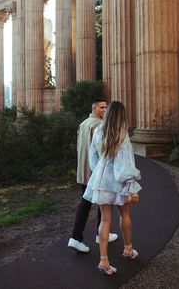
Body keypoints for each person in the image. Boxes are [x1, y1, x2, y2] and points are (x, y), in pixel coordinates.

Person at [83, 101, 142, 275]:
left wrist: (98, 173)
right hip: (119, 182)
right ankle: (128, 250)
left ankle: (103, 261)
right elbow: (125, 163)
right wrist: (132, 187)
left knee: (105, 220)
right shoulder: (122, 134)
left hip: (101, 180)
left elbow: (93, 158)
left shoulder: (98, 131)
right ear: (121, 115)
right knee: (125, 215)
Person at [68, 99, 118, 253]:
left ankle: (99, 233)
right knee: (89, 204)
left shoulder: (83, 123)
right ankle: (77, 238)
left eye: (106, 107)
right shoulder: (99, 125)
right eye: (102, 107)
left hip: (83, 171)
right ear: (94, 109)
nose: (105, 109)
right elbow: (103, 152)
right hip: (94, 173)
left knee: (92, 204)